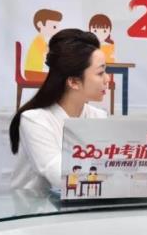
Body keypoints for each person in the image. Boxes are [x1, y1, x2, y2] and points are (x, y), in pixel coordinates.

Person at [10, 28, 109, 192]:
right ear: (74, 82)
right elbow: (60, 176)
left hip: (81, 201)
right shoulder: (34, 120)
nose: (107, 79)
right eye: (100, 73)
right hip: (32, 205)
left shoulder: (98, 116)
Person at [24, 8, 63, 81]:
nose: (57, 31)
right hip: (33, 73)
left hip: (35, 72)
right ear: (40, 25)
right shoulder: (39, 41)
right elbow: (47, 57)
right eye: (54, 27)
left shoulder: (42, 40)